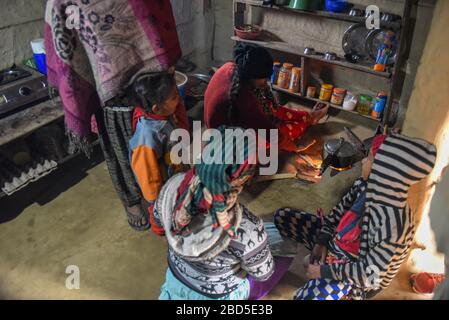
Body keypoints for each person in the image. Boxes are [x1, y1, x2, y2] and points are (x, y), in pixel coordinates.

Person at [274, 133, 437, 299]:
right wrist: (322, 242)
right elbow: (336, 215)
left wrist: (323, 271)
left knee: (306, 297)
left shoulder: (393, 225)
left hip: (358, 274)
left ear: (383, 172)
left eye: (370, 159)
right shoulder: (363, 186)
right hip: (338, 244)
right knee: (283, 217)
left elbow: (370, 274)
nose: (364, 162)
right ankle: (327, 261)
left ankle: (347, 294)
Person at [152, 127, 275, 300]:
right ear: (244, 177)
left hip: (176, 279)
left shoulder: (172, 188)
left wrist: (186, 250)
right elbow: (263, 274)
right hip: (217, 295)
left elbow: (159, 229)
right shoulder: (248, 228)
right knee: (280, 245)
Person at [204, 43, 328, 151]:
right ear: (253, 76)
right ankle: (306, 121)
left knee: (270, 108)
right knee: (285, 131)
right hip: (225, 138)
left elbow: (266, 112)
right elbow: (270, 133)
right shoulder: (244, 97)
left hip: (226, 121)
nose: (265, 82)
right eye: (264, 79)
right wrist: (292, 146)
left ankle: (309, 117)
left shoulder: (232, 67)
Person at [128, 72, 186, 232]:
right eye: (174, 97)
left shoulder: (164, 115)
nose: (179, 99)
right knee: (165, 221)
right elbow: (147, 176)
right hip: (163, 192)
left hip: (174, 173)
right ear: (156, 108)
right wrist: (158, 202)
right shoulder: (147, 137)